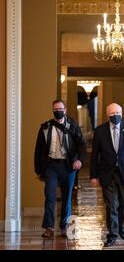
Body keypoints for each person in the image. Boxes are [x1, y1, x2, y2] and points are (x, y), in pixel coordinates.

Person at [90, 103, 124, 247]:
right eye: (112, 114)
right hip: (107, 174)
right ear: (108, 115)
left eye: (118, 113)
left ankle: (122, 227)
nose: (115, 116)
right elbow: (95, 155)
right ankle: (112, 234)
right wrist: (93, 176)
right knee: (111, 205)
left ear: (122, 113)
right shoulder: (100, 131)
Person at [34, 100, 86, 239]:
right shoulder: (45, 127)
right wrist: (38, 170)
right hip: (51, 166)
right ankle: (49, 227)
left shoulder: (72, 126)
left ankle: (64, 226)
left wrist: (79, 160)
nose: (58, 111)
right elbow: (38, 150)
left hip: (68, 166)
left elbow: (82, 144)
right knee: (50, 197)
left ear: (65, 109)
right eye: (55, 109)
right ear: (52, 110)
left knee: (66, 197)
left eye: (60, 108)